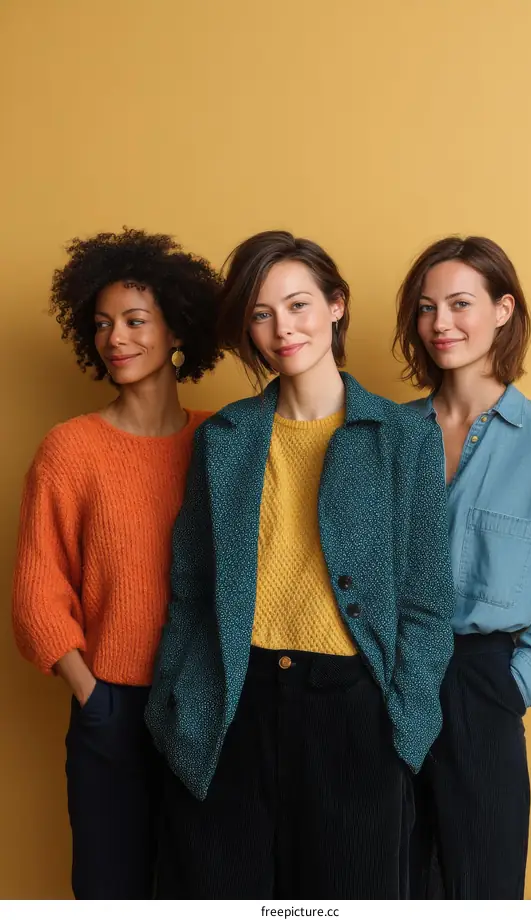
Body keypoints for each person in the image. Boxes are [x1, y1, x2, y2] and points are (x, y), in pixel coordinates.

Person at [145, 229, 455, 899]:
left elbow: (427, 601)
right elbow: (192, 587)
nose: (282, 329)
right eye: (261, 314)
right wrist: (177, 702)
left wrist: (405, 722)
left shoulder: (402, 438)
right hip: (234, 701)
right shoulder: (224, 439)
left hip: (355, 710)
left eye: (298, 305)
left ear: (336, 306)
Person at [12, 228, 223, 899]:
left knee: (204, 888)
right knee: (111, 892)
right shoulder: (70, 449)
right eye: (102, 325)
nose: (117, 339)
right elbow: (37, 592)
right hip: (111, 710)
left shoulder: (222, 441)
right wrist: (92, 696)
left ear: (176, 332)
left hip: (208, 704)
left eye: (135, 321)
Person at [394, 235, 531, 899]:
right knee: (384, 881)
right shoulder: (386, 435)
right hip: (384, 680)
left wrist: (508, 689)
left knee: (483, 889)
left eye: (460, 304)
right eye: (427, 308)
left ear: (503, 309)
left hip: (481, 681)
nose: (441, 324)